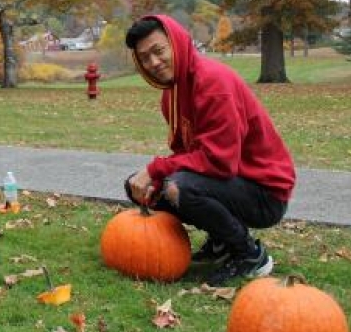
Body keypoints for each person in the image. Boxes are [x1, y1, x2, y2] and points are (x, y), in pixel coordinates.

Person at [123, 15, 296, 286]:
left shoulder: (214, 83)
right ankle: (220, 243)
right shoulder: (171, 95)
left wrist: (157, 168)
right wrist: (152, 175)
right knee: (141, 186)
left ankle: (250, 255)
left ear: (176, 43)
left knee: (180, 186)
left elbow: (220, 162)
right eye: (145, 58)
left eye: (158, 51)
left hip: (265, 192)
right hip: (231, 181)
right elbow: (187, 154)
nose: (154, 63)